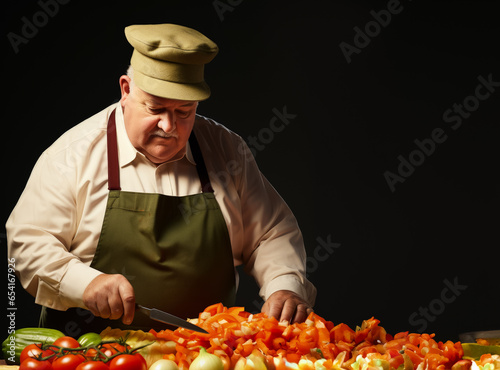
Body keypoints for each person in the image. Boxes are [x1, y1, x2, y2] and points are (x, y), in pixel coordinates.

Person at [6, 23, 316, 335]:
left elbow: (272, 232)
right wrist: (86, 283)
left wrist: (284, 286)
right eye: (156, 108)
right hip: (90, 356)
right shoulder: (72, 156)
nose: (169, 126)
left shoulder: (226, 151)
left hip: (205, 355)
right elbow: (29, 243)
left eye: (184, 112)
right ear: (126, 90)